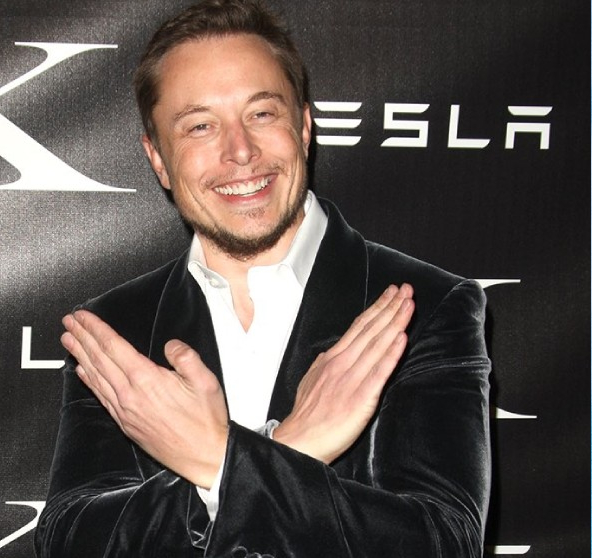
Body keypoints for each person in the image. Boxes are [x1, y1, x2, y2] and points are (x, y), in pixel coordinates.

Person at [35, 0, 491, 556]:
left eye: (262, 114)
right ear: (158, 160)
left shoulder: (429, 307)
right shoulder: (114, 329)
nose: (240, 151)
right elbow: (70, 542)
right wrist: (290, 447)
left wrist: (216, 460)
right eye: (200, 126)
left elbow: (443, 542)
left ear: (304, 126)